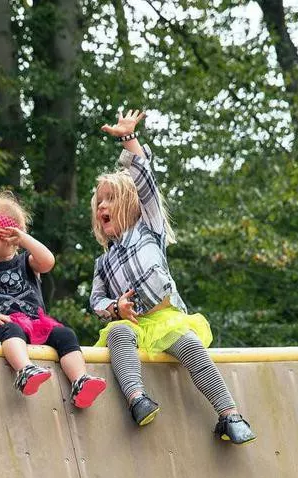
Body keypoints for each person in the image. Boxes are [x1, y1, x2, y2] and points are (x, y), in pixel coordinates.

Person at [88, 108, 256, 444]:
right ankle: (138, 399)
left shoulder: (148, 229)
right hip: (133, 324)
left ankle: (230, 415)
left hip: (166, 319)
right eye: (98, 203)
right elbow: (96, 300)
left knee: (192, 347)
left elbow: (146, 181)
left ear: (132, 206)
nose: (102, 206)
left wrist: (129, 139)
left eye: (110, 199)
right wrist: (115, 307)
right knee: (118, 336)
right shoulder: (103, 262)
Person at [0, 191, 107, 407]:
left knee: (65, 334)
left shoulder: (27, 263)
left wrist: (23, 239)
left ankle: (80, 379)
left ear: (8, 235)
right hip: (4, 325)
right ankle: (24, 370)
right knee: (11, 329)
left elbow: (48, 261)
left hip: (36, 322)